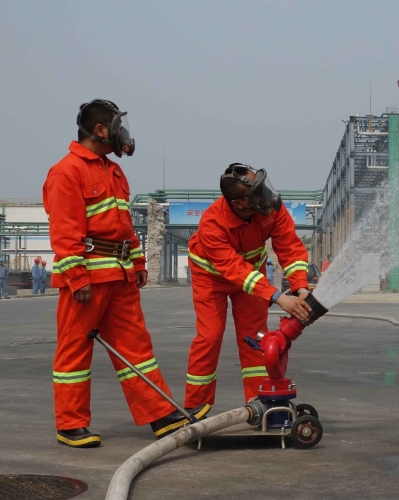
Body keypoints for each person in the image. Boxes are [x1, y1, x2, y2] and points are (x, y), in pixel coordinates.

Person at [44, 99, 205, 448]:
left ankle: (160, 414)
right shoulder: (66, 171)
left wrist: (139, 263)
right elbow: (65, 230)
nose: (124, 135)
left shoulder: (113, 171)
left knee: (137, 348)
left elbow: (125, 228)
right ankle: (70, 425)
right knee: (74, 352)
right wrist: (76, 277)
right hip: (88, 280)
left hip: (120, 278)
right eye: (118, 127)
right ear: (100, 130)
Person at [184, 163, 312, 412]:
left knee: (256, 338)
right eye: (256, 191)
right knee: (209, 337)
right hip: (211, 278)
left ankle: (259, 401)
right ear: (238, 204)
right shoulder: (212, 224)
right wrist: (277, 297)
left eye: (262, 185)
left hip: (252, 272)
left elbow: (289, 247)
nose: (265, 194)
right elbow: (234, 269)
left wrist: (301, 288)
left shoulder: (270, 208)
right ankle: (196, 405)